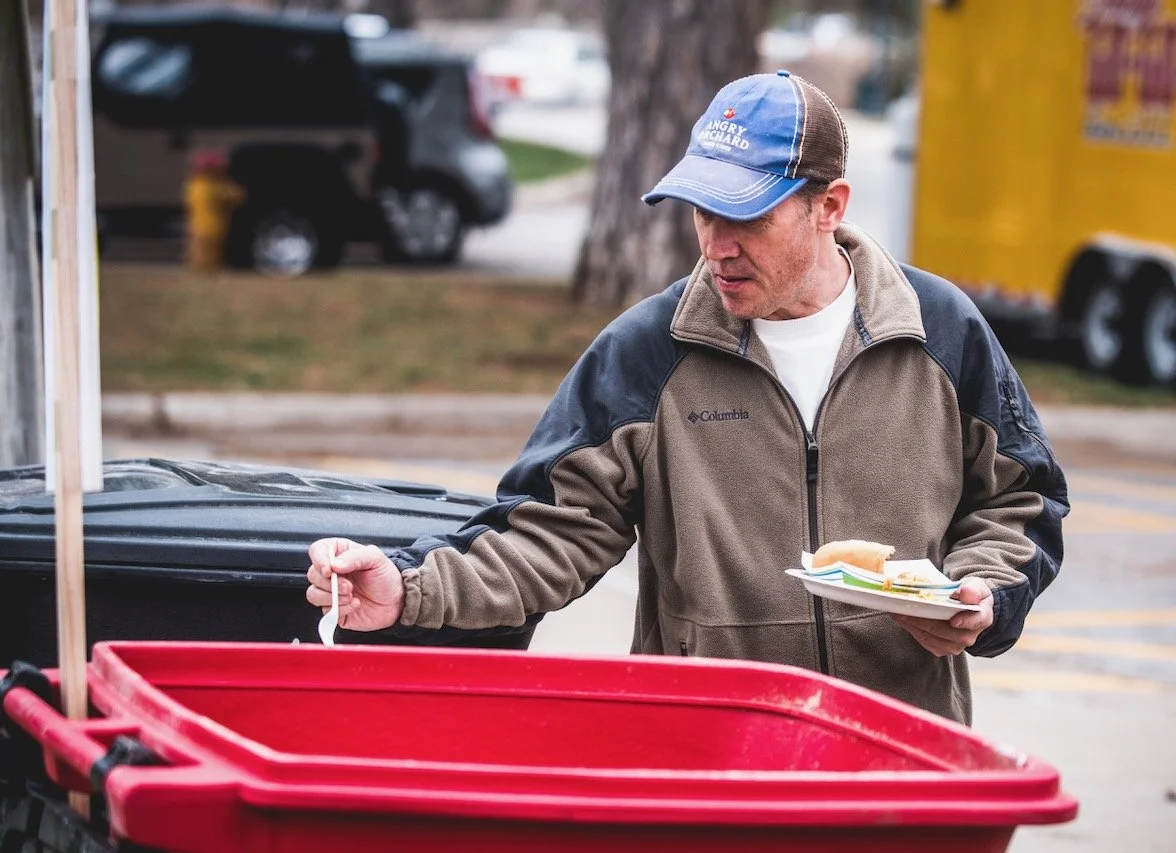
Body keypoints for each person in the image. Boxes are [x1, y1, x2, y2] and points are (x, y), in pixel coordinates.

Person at [305, 71, 1069, 724]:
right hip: (709, 746)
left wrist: (985, 593)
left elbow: (1021, 502)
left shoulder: (940, 330)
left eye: (746, 216)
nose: (715, 243)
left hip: (897, 746)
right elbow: (547, 531)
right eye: (704, 210)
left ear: (829, 206)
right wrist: (407, 586)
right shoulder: (648, 351)